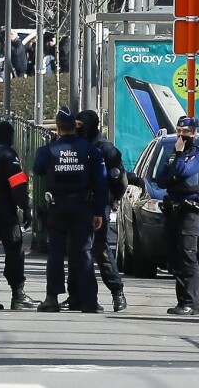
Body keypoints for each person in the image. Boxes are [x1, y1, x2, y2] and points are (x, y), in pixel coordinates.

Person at [32, 106, 108, 313]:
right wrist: (99, 211)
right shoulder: (90, 150)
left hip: (57, 206)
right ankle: (89, 300)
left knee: (55, 251)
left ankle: (52, 298)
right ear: (75, 126)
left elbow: (37, 169)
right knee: (83, 251)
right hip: (83, 206)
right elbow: (101, 183)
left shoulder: (49, 150)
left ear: (57, 128)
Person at [61, 110, 128, 312]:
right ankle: (76, 295)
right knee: (75, 249)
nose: (78, 128)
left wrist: (111, 200)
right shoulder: (74, 146)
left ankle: (117, 292)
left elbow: (119, 180)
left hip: (98, 205)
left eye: (81, 125)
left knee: (100, 249)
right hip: (77, 204)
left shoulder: (106, 149)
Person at [0, 120, 39, 311]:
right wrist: (26, 208)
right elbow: (18, 185)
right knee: (14, 252)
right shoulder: (8, 154)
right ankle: (18, 294)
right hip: (6, 213)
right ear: (10, 137)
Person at [156, 116, 199, 316]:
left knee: (187, 255)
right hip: (173, 207)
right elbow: (162, 180)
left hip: (189, 208)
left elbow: (183, 171)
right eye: (178, 131)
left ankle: (191, 303)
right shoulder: (173, 153)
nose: (181, 135)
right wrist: (175, 165)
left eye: (185, 132)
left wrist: (177, 161)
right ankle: (181, 301)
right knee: (175, 255)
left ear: (194, 133)